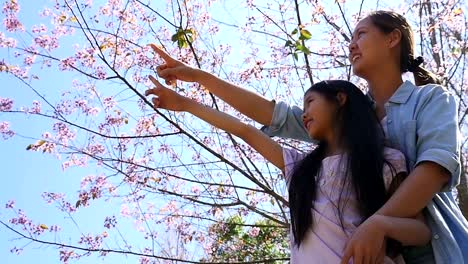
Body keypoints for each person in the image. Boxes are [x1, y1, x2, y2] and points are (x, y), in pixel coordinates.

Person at [148, 10, 468, 264]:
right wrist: (197, 77)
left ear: (392, 39)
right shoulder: (345, 125)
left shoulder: (430, 100)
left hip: (435, 254)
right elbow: (270, 116)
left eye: (362, 34)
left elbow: (432, 171)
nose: (352, 44)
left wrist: (375, 225)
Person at [146, 77, 431, 263]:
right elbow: (244, 130)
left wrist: (379, 225)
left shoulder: (385, 161)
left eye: (310, 102)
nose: (304, 113)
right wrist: (184, 104)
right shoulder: (301, 169)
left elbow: (420, 231)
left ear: (341, 99)